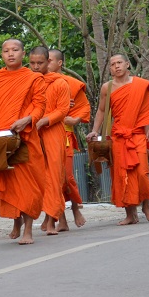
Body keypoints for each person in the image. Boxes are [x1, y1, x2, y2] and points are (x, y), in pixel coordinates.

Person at [0, 39, 46, 245]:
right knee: (9, 183)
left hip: (25, 137)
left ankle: (28, 229)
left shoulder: (33, 78)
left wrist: (27, 119)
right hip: (0, 138)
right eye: (6, 51)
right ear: (1, 55)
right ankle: (16, 221)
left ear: (23, 53)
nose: (10, 54)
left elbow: (40, 106)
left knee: (28, 186)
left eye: (15, 50)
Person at [87, 55, 149, 225]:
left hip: (137, 134)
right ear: (110, 69)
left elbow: (148, 109)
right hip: (118, 136)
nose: (116, 66)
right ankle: (130, 214)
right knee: (122, 175)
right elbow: (102, 111)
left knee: (142, 172)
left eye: (119, 63)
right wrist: (95, 130)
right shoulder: (107, 87)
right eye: (112, 64)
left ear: (127, 64)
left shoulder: (140, 85)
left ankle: (146, 207)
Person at [28, 47, 70, 236]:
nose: (36, 67)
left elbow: (62, 111)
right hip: (32, 132)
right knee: (38, 176)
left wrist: (44, 120)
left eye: (40, 63)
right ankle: (49, 217)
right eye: (33, 63)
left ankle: (51, 219)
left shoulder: (60, 83)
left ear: (48, 62)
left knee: (54, 176)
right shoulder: (28, 82)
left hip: (53, 131)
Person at [60, 61, 90, 230]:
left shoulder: (69, 83)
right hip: (43, 136)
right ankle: (59, 217)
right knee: (51, 180)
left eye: (48, 61)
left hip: (64, 135)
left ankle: (75, 207)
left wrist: (76, 119)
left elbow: (85, 108)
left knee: (67, 176)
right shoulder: (37, 81)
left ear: (59, 63)